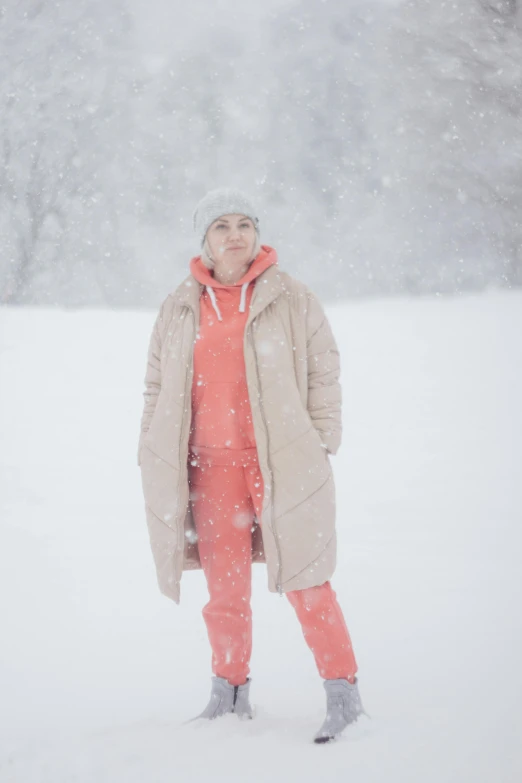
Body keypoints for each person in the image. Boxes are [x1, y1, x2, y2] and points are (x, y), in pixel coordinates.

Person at [138, 188, 363, 743]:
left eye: (244, 223)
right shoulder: (181, 304)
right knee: (225, 592)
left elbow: (323, 370)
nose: (234, 234)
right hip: (209, 470)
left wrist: (322, 439)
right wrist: (151, 443)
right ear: (205, 240)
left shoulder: (290, 297)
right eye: (221, 225)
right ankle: (228, 695)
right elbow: (155, 383)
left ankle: (343, 695)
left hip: (282, 464)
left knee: (309, 581)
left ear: (257, 233)